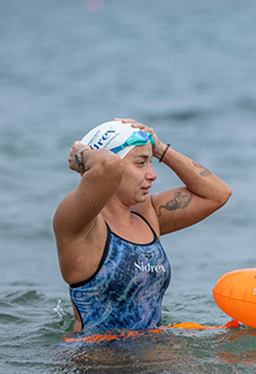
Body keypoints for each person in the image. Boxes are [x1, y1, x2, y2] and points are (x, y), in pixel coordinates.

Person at [53, 118, 232, 335]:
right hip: (99, 363)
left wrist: (161, 150)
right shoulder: (80, 224)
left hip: (151, 355)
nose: (152, 174)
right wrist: (83, 154)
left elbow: (218, 194)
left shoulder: (148, 214)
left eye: (151, 162)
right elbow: (107, 165)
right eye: (140, 163)